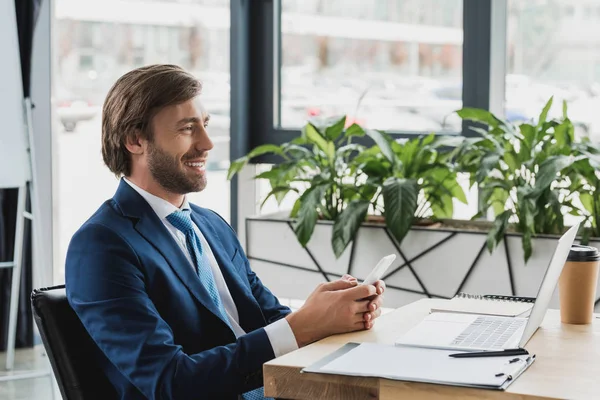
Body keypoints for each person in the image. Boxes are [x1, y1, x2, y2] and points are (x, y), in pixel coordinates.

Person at [65, 64, 386, 400]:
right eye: (187, 129)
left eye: (204, 125)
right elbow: (171, 382)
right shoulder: (101, 245)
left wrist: (334, 314)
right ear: (135, 140)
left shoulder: (210, 224)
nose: (207, 144)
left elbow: (268, 319)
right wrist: (303, 326)